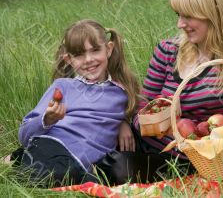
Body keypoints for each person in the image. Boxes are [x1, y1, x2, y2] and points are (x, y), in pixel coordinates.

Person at [118, 0, 223, 167]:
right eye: (179, 15)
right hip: (164, 151)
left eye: (188, 16)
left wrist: (201, 138)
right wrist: (162, 116)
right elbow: (142, 112)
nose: (180, 24)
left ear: (212, 13)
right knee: (117, 165)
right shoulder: (167, 51)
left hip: (218, 155)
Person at [16, 19, 140, 186]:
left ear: (109, 49)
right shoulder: (63, 86)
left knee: (77, 175)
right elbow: (25, 134)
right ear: (68, 59)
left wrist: (123, 122)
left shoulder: (123, 92)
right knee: (55, 168)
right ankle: (22, 162)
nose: (88, 59)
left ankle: (19, 161)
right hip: (52, 148)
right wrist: (46, 119)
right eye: (79, 54)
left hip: (83, 165)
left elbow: (136, 112)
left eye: (95, 50)